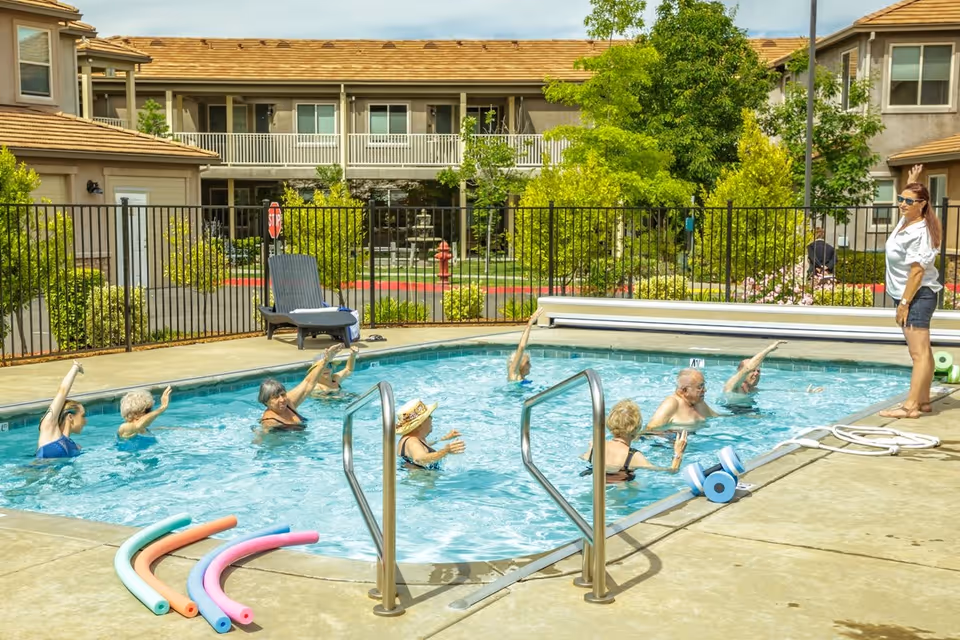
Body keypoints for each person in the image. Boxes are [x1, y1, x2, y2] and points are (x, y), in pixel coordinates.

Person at [879, 164, 942, 419]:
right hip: (912, 296)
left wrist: (904, 303)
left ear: (923, 205)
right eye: (901, 199)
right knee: (924, 350)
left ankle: (910, 407)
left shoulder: (921, 232)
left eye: (909, 201)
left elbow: (917, 272)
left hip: (917, 296)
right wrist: (912, 181)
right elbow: (912, 201)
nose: (903, 204)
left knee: (918, 353)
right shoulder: (906, 222)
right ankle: (924, 401)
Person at [580, 400, 689, 482]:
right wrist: (678, 454)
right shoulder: (633, 457)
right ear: (636, 429)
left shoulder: (595, 447)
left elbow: (583, 458)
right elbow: (671, 472)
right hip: (619, 500)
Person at [258, 343, 342, 432]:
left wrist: (326, 360)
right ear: (266, 401)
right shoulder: (270, 423)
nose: (282, 399)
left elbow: (308, 382)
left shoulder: (288, 403)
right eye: (275, 397)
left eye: (283, 394)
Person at [395, 398, 465, 471]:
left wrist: (445, 438)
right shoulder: (412, 442)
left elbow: (423, 446)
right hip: (420, 480)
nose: (432, 418)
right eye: (429, 416)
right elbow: (419, 459)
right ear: (419, 424)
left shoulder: (409, 439)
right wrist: (445, 451)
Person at [36, 360, 86, 459]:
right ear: (70, 417)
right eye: (82, 416)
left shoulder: (76, 448)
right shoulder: (49, 429)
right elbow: (62, 392)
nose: (85, 421)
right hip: (36, 472)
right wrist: (75, 368)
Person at [645, 368, 719, 431]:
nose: (705, 390)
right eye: (700, 387)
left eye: (704, 385)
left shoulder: (698, 403)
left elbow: (719, 418)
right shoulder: (672, 403)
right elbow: (650, 430)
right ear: (685, 390)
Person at [722, 340, 788, 407]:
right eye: (753, 370)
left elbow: (771, 391)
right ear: (740, 371)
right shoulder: (733, 385)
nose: (756, 374)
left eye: (758, 371)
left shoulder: (752, 389)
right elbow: (748, 368)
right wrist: (769, 349)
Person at [507, 308, 544, 383]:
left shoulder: (523, 379)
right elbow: (521, 346)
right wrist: (530, 323)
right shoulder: (514, 374)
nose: (530, 366)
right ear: (519, 363)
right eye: (527, 362)